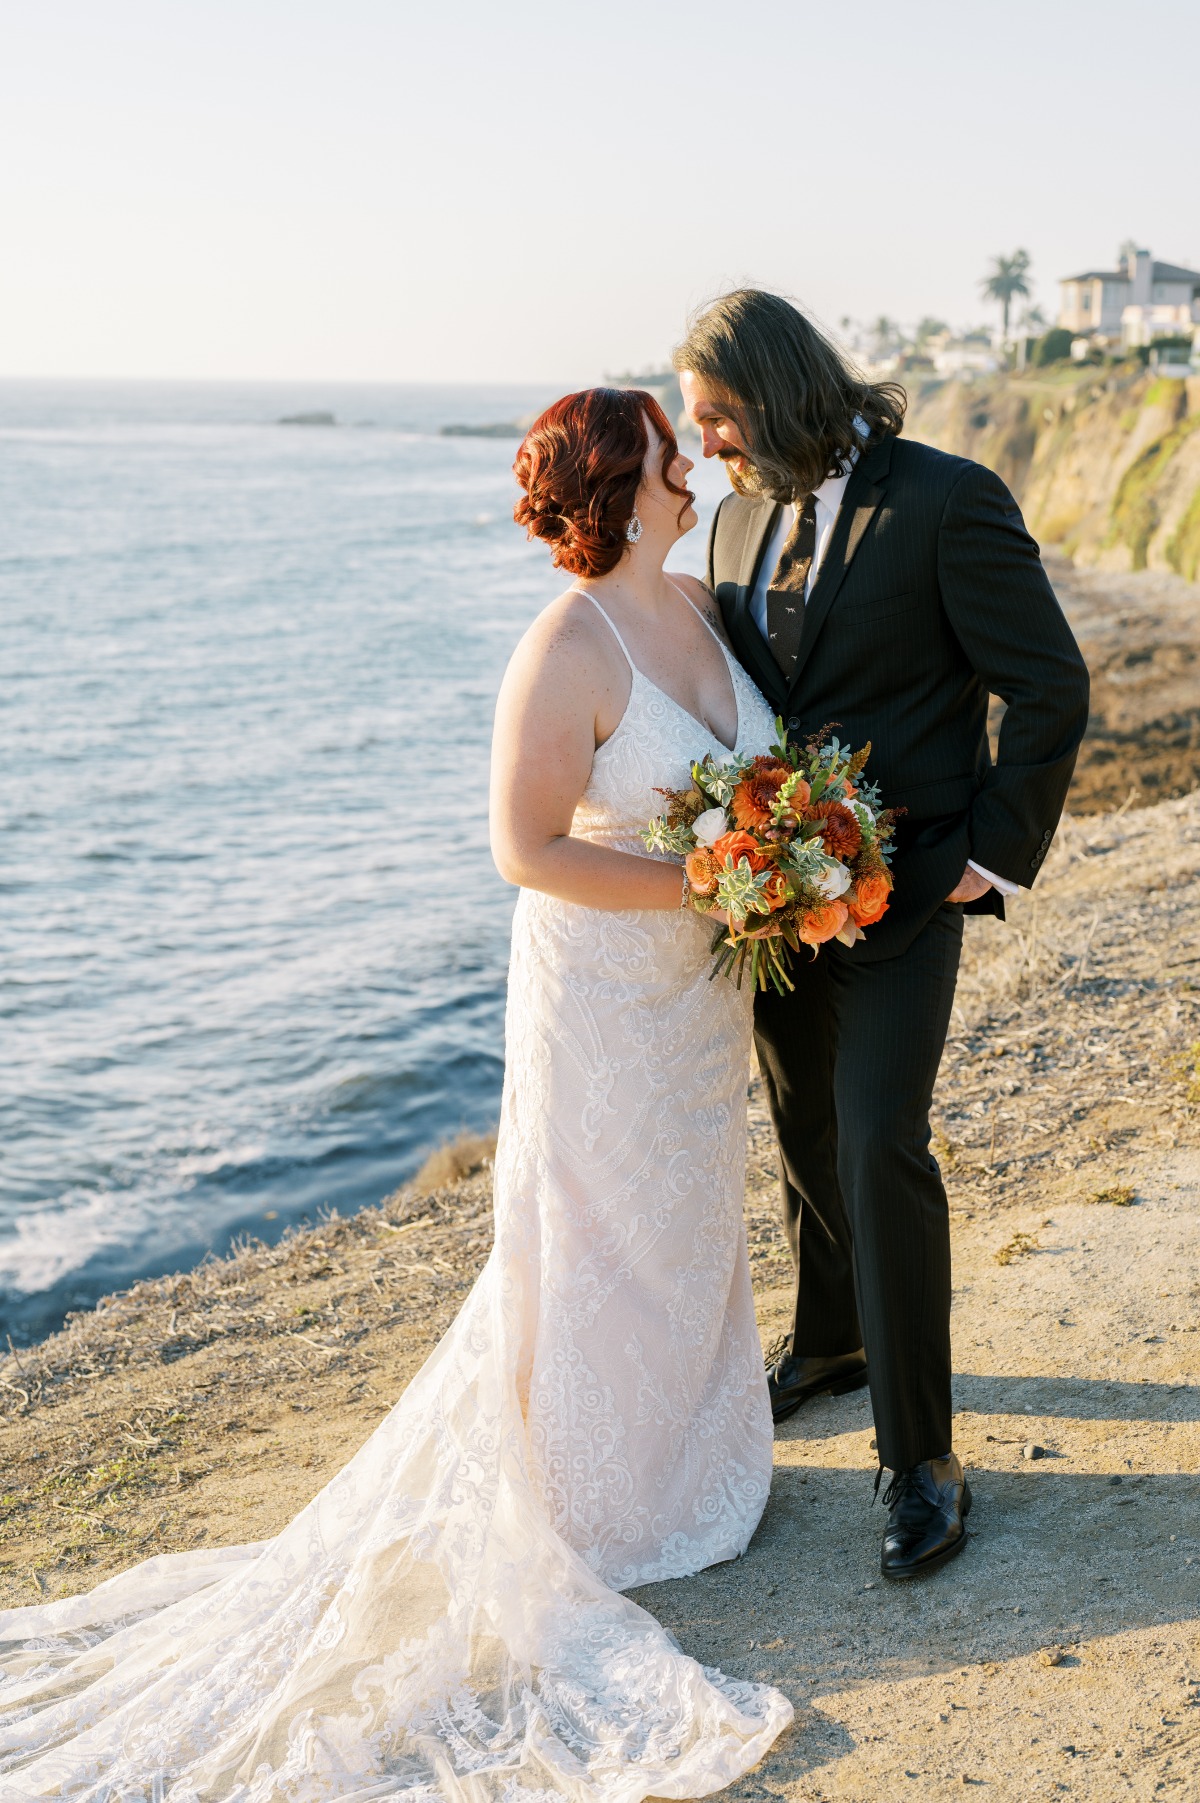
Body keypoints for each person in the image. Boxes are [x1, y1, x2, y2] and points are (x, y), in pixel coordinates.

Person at [0, 388, 793, 1800]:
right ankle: (601, 1506)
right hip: (607, 993)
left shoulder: (705, 608)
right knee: (596, 1230)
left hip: (697, 998)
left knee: (685, 1222)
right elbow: (525, 847)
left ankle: (695, 1461)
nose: (701, 462)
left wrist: (775, 864)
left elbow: (746, 781)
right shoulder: (568, 644)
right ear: (628, 485)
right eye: (678, 453)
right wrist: (711, 880)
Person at [674, 290, 1090, 1581]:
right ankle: (834, 1338)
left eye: (719, 420)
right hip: (778, 895)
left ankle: (920, 1455)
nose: (709, 453)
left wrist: (988, 855)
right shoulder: (738, 519)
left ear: (780, 392)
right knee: (802, 1131)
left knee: (877, 1143)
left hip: (915, 888)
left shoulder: (946, 499)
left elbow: (1049, 684)